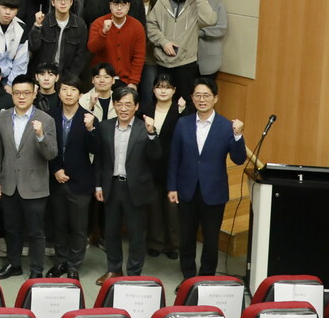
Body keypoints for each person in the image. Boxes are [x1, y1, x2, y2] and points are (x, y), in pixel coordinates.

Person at [168, 77, 246, 280]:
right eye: (198, 95)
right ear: (192, 98)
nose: (202, 100)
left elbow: (239, 159)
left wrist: (238, 136)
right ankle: (188, 278)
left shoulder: (226, 126)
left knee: (211, 239)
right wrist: (172, 187)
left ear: (215, 98)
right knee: (186, 237)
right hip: (186, 189)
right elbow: (174, 157)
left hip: (214, 190)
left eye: (206, 95)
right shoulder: (183, 123)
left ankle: (206, 278)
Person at [0, 73, 58, 280]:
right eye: (17, 93)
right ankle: (14, 264)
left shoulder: (46, 120)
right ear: (11, 93)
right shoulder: (2, 117)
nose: (21, 97)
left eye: (26, 93)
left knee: (36, 232)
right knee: (11, 229)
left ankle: (37, 270)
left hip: (35, 186)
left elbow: (51, 154)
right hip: (9, 184)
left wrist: (41, 136)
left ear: (34, 93)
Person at [94, 84, 160, 285]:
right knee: (111, 232)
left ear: (136, 106)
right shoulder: (104, 127)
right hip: (112, 186)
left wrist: (152, 134)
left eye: (128, 105)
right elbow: (100, 160)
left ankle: (133, 274)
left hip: (136, 188)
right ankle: (114, 269)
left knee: (136, 234)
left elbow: (156, 156)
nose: (123, 109)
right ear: (114, 105)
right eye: (119, 104)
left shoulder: (144, 128)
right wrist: (98, 186)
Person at [46, 74, 97, 280]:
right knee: (58, 226)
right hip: (56, 180)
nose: (68, 94)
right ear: (59, 93)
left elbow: (95, 150)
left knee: (78, 228)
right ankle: (60, 262)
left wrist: (91, 129)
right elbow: (45, 148)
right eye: (65, 89)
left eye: (73, 90)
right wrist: (55, 169)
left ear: (80, 94)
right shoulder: (50, 116)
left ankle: (74, 265)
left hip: (80, 182)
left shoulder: (88, 118)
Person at [146, 0, 216, 102]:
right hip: (163, 62)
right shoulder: (162, 2)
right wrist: (163, 42)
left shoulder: (196, 2)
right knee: (161, 101)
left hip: (186, 63)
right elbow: (151, 25)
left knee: (185, 103)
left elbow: (210, 20)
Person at [144, 73, 183, 261]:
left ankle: (173, 244)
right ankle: (155, 242)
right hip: (150, 165)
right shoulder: (146, 109)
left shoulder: (181, 111)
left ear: (174, 90)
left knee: (172, 208)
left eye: (167, 87)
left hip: (173, 165)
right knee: (154, 206)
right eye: (159, 86)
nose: (163, 90)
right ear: (153, 89)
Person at [87, 0, 146, 87]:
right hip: (102, 80)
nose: (119, 8)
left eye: (123, 5)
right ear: (110, 5)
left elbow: (139, 57)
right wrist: (103, 32)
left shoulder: (137, 26)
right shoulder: (98, 23)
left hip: (126, 80)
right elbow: (92, 48)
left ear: (129, 6)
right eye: (115, 4)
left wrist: (133, 82)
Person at [28, 0, 88, 79]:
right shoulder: (44, 21)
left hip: (66, 75)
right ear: (53, 2)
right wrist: (37, 25)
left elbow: (80, 55)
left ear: (71, 2)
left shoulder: (79, 24)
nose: (63, 3)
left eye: (66, 0)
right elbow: (33, 47)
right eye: (59, 0)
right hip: (43, 74)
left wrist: (70, 77)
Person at [194, 0, 228, 79]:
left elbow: (221, 29)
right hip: (188, 57)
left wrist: (200, 32)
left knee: (207, 87)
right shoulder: (189, 2)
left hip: (210, 57)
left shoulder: (218, 4)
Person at [135, 0, 160, 108]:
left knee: (148, 91)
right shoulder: (132, 7)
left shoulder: (158, 8)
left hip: (151, 57)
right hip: (134, 57)